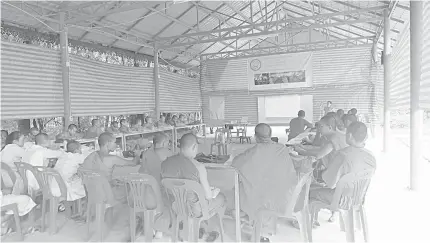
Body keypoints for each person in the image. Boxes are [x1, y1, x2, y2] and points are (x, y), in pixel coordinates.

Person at [231, 123, 300, 239]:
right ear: (271, 135)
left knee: (238, 189)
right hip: (283, 196)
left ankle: (250, 220)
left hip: (261, 198)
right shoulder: (282, 149)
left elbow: (235, 163)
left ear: (256, 136)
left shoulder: (253, 151)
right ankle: (261, 225)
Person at [309, 122, 376, 224]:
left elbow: (330, 182)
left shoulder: (343, 154)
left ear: (349, 136)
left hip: (341, 199)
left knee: (308, 192)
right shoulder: (371, 156)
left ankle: (307, 223)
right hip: (359, 198)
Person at [161, 133, 224, 242]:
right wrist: (213, 192)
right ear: (194, 147)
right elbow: (208, 197)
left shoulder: (165, 163)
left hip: (175, 206)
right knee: (222, 198)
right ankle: (209, 230)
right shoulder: (198, 167)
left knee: (200, 198)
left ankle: (197, 228)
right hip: (195, 209)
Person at [82, 132, 141, 205]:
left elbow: (91, 176)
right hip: (106, 195)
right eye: (114, 142)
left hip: (92, 195)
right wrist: (137, 154)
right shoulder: (112, 158)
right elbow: (134, 163)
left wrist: (110, 182)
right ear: (108, 143)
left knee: (120, 183)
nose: (116, 145)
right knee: (132, 187)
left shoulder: (91, 156)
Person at [295, 116, 348, 181]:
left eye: (321, 126)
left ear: (329, 127)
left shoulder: (334, 138)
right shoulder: (338, 135)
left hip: (335, 175)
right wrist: (304, 148)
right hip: (340, 171)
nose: (318, 129)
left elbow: (319, 155)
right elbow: (322, 149)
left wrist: (301, 151)